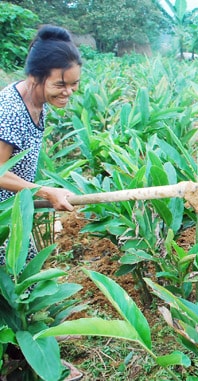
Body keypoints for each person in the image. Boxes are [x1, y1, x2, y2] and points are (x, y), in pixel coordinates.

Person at [0, 25, 83, 380]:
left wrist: (39, 193)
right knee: (14, 280)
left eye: (74, 84)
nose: (68, 92)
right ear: (35, 77)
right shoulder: (11, 110)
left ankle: (30, 349)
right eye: (60, 85)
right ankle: (25, 358)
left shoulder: (38, 101)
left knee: (27, 276)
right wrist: (45, 191)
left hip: (16, 205)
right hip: (4, 211)